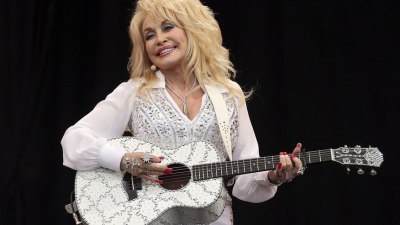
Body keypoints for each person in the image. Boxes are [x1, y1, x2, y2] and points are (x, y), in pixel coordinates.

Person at [61, 0, 304, 224]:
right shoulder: (134, 92)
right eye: (149, 35)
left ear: (193, 29)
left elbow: (245, 180)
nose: (159, 39)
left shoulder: (228, 93)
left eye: (168, 27)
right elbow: (73, 140)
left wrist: (274, 176)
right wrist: (124, 161)